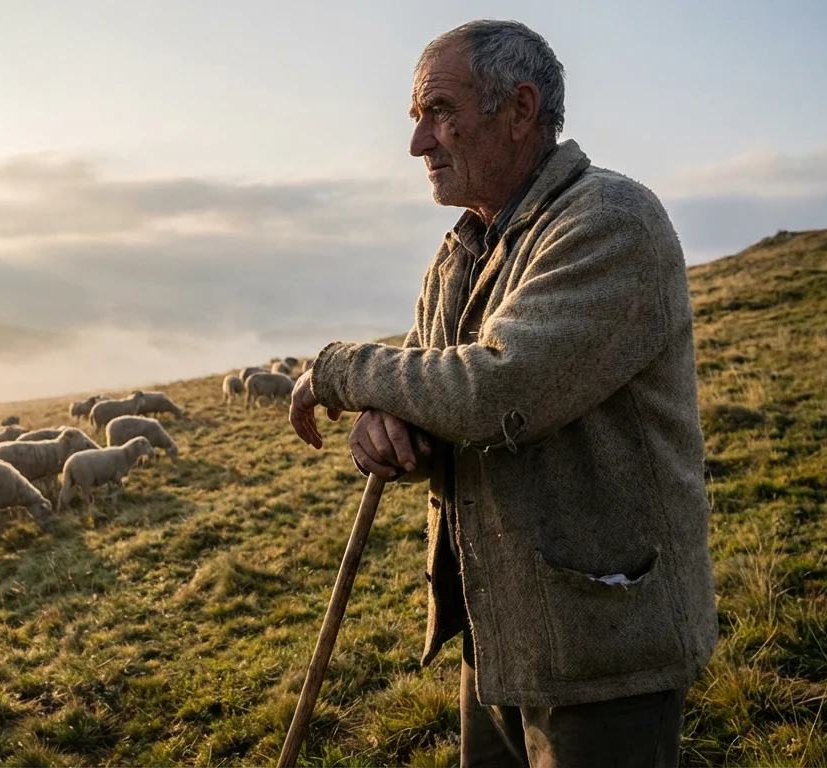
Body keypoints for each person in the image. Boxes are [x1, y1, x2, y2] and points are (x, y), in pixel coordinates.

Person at [288, 19, 717, 768]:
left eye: (440, 112)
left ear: (520, 111)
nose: (418, 143)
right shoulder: (459, 251)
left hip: (599, 646)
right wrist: (384, 435)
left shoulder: (611, 222)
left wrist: (338, 370)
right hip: (498, 633)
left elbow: (493, 392)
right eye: (416, 118)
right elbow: (432, 416)